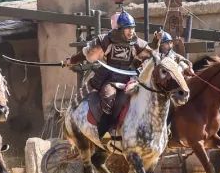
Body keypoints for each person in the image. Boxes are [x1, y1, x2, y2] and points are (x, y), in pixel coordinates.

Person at [63, 10, 153, 139]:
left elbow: (151, 54)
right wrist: (71, 61)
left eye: (132, 28)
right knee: (109, 98)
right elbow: (86, 53)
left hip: (129, 79)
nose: (131, 31)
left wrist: (157, 44)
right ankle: (104, 131)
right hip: (109, 79)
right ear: (120, 28)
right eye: (128, 28)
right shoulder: (106, 40)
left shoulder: (137, 43)